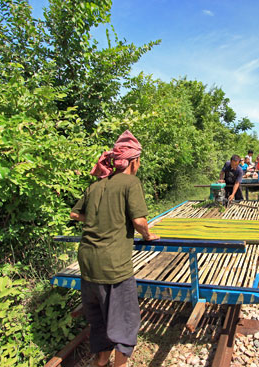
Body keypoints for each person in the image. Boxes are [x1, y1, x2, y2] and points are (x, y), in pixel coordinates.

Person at [70, 130, 159, 367]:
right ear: (133, 161)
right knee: (125, 320)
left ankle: (101, 361)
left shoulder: (96, 185)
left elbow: (75, 213)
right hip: (113, 265)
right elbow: (139, 221)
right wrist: (148, 235)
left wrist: (101, 218)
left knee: (98, 318)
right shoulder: (131, 182)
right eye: (139, 160)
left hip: (88, 262)